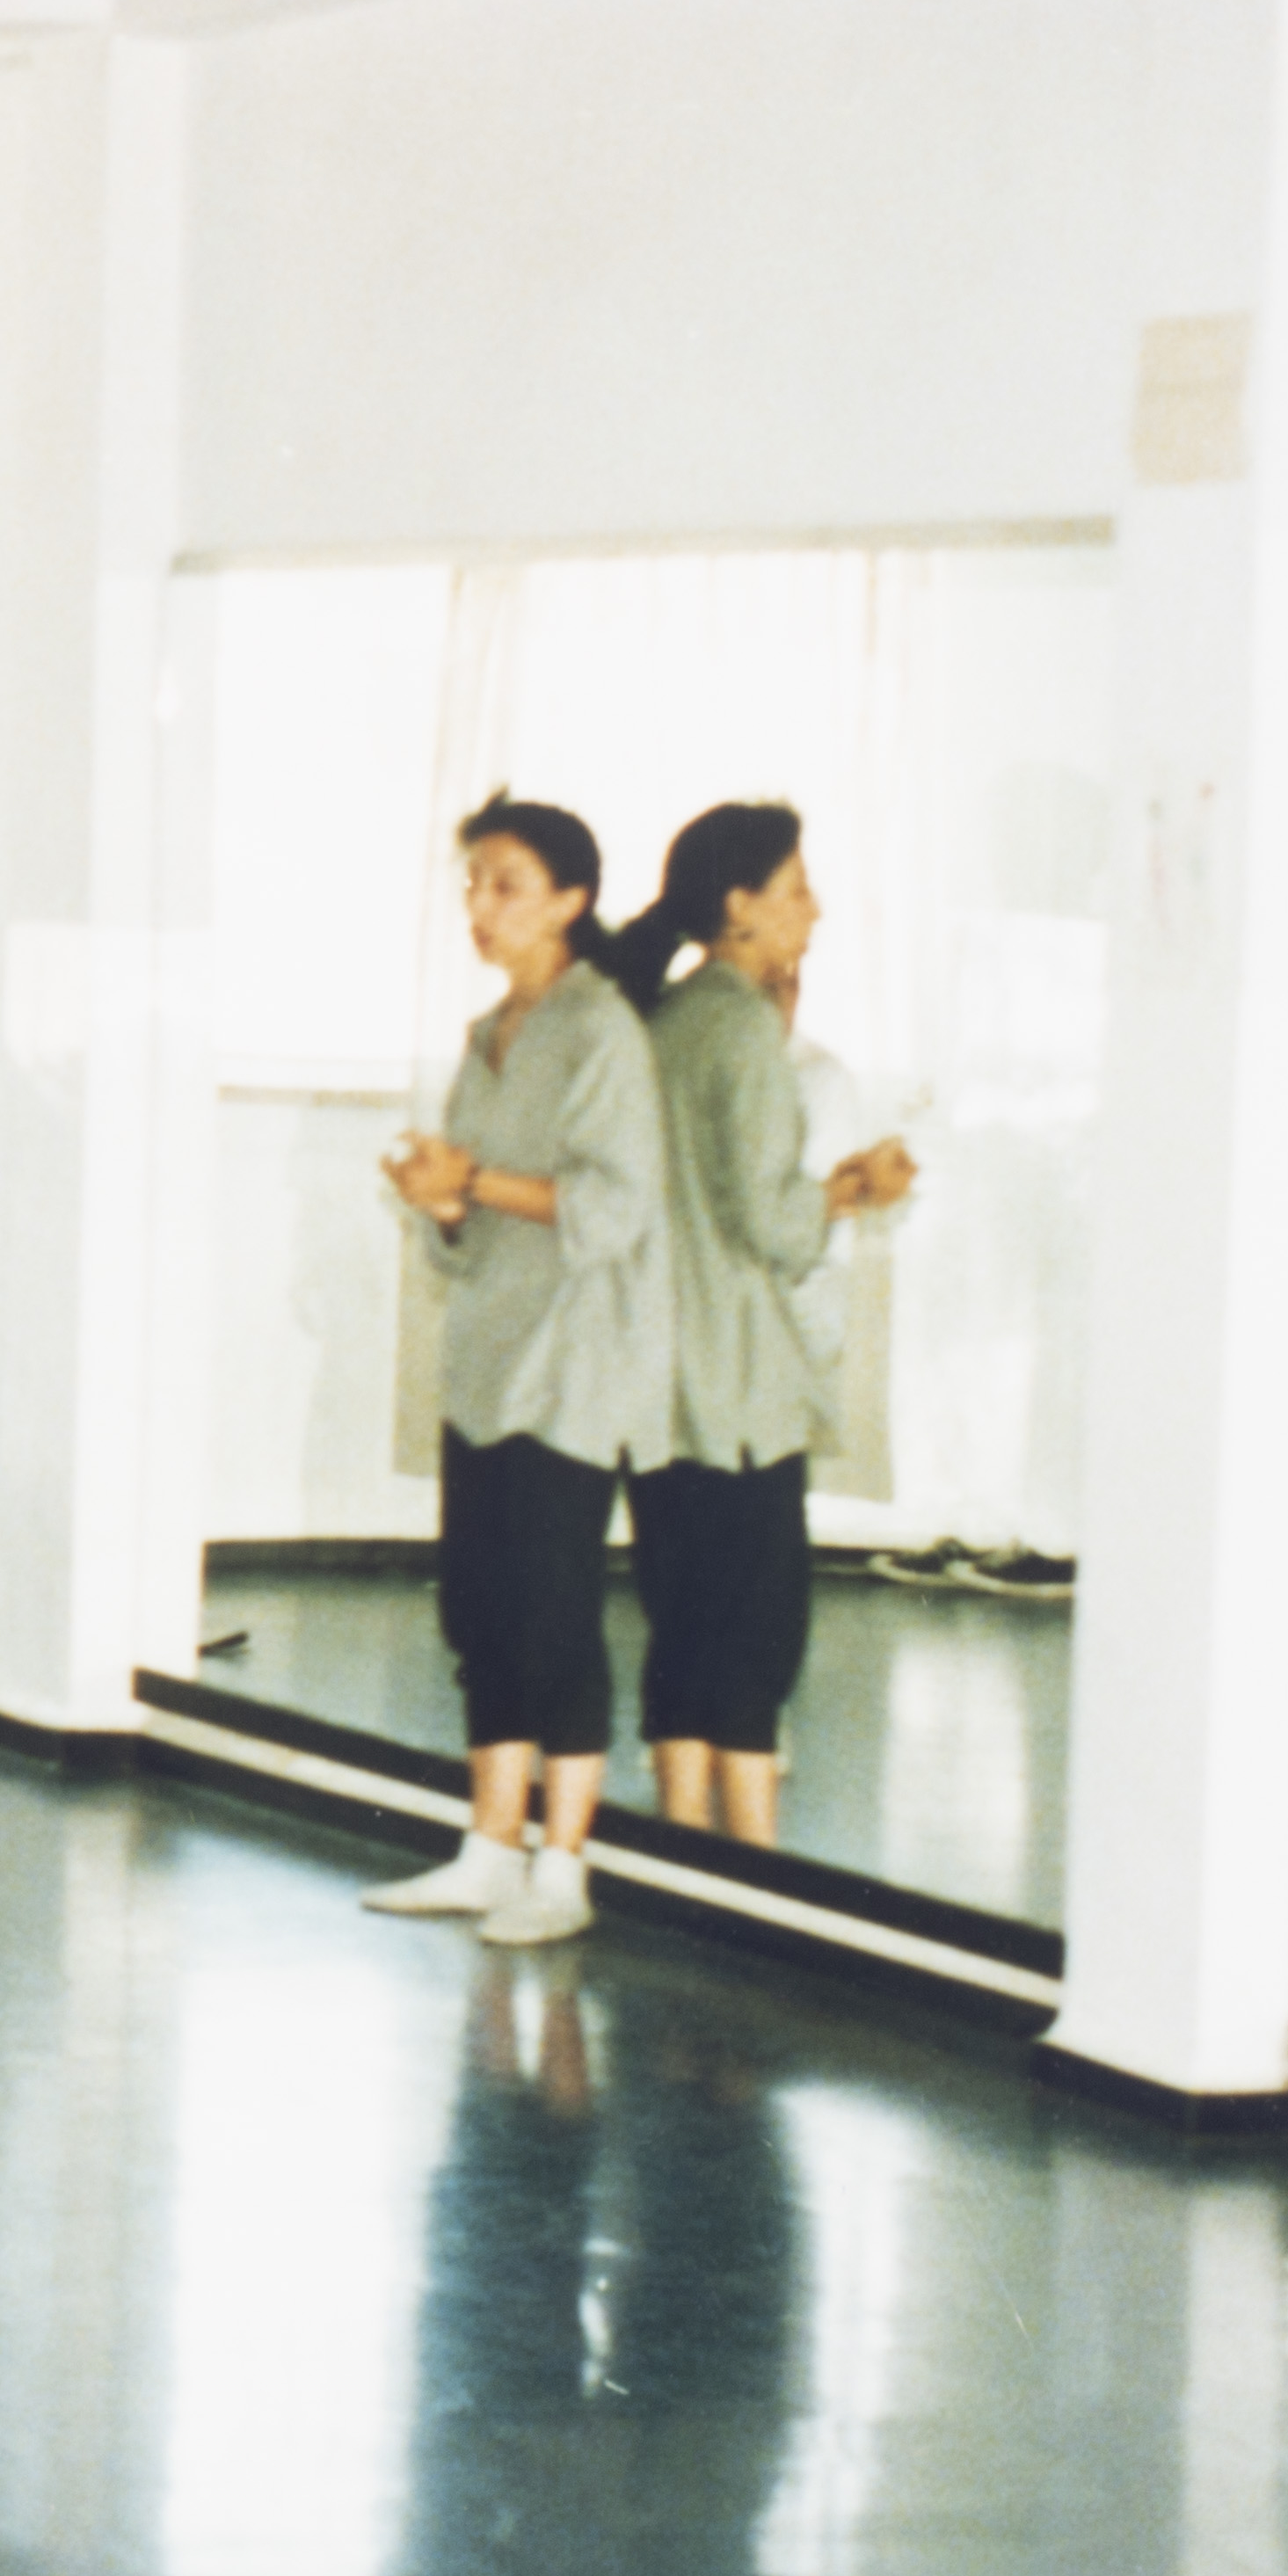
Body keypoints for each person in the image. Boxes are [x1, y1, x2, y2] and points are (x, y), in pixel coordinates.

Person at [367, 793, 675, 1946]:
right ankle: (488, 1846)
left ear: (569, 900)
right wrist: (442, 1199)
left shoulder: (601, 1029)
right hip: (488, 1355)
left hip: (573, 1362)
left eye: (505, 885)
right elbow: (465, 1223)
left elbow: (613, 1207)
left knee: (553, 1611)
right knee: (480, 1606)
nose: (480, 906)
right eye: (472, 885)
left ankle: (563, 1865)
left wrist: (473, 1181)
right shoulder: (486, 1033)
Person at [615, 804, 912, 1847]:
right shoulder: (741, 1027)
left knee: (682, 1618)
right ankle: (749, 1865)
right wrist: (854, 1187)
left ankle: (683, 1843)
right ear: (738, 906)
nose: (813, 910)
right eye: (795, 889)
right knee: (753, 1627)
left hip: (662, 1375)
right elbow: (774, 1224)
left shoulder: (664, 1017)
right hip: (735, 1381)